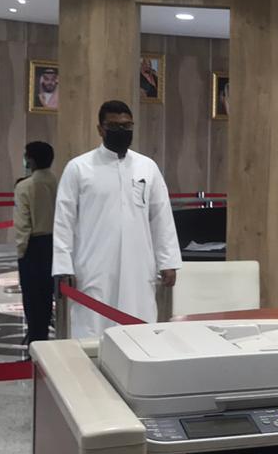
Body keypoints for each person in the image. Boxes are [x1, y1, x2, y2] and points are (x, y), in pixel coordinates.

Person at [52, 100, 181, 338]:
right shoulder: (79, 168)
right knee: (93, 329)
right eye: (114, 126)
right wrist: (63, 266)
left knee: (139, 329)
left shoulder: (147, 167)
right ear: (100, 129)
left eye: (127, 125)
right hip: (93, 265)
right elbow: (64, 220)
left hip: (138, 264)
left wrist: (168, 261)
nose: (121, 131)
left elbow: (161, 216)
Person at [14, 140, 57, 344]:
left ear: (30, 160)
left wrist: (21, 251)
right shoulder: (57, 182)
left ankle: (36, 338)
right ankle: (45, 334)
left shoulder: (25, 186)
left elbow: (23, 223)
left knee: (33, 298)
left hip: (34, 245)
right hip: (56, 243)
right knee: (49, 294)